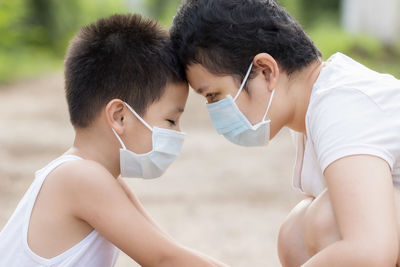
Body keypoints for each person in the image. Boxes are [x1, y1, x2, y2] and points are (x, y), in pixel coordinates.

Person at [170, 0, 400, 266]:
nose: (214, 111)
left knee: (327, 221)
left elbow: (370, 249)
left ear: (266, 71)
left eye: (214, 95)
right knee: (296, 235)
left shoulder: (341, 106)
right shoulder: (316, 108)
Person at [0, 14, 227, 267]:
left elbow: (168, 248)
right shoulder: (80, 177)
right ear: (119, 116)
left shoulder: (105, 179)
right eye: (171, 121)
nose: (177, 133)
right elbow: (163, 259)